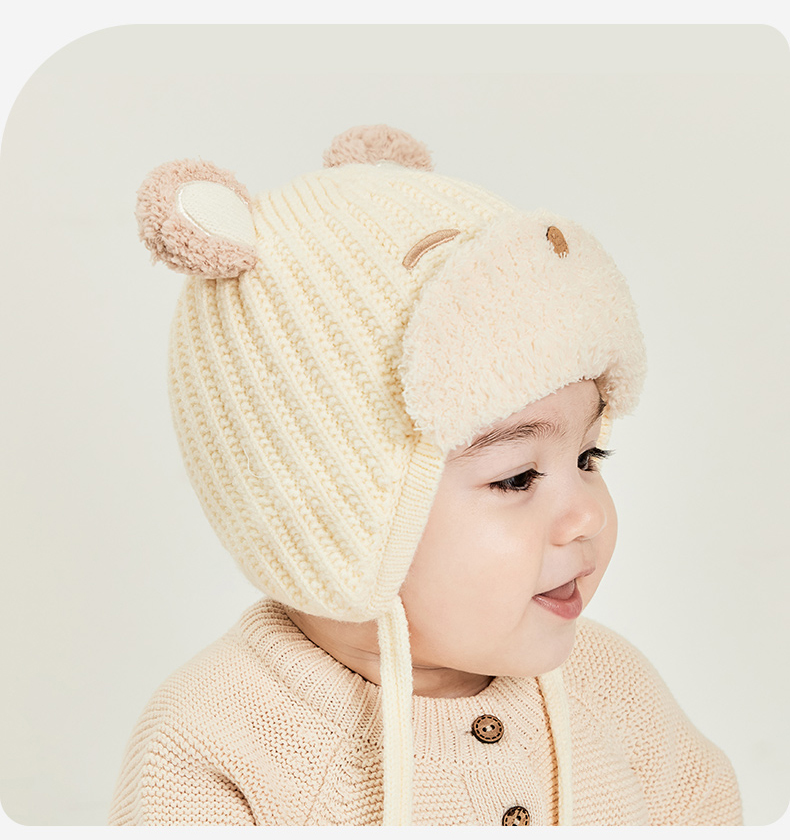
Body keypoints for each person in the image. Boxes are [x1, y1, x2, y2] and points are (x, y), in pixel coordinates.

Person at [109, 125, 742, 826]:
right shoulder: (214, 744)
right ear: (332, 511)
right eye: (518, 478)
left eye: (589, 458)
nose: (587, 514)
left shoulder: (613, 689)